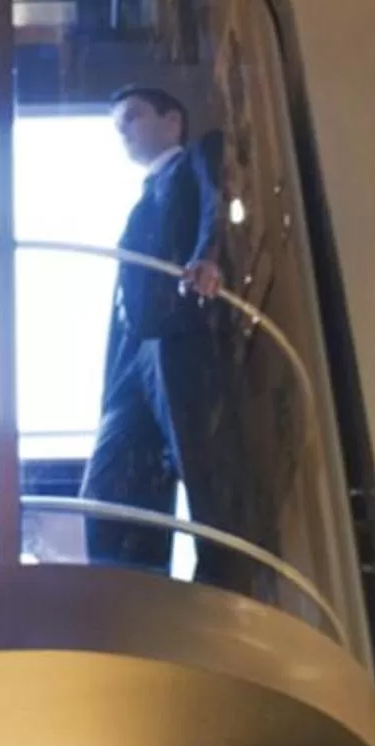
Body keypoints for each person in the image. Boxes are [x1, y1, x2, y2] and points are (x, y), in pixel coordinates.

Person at [79, 85, 252, 595]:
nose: (124, 132)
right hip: (134, 353)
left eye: (131, 117)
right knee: (106, 482)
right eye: (117, 126)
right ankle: (131, 597)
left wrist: (209, 255)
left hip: (179, 326)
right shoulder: (139, 204)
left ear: (172, 120)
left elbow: (216, 202)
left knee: (197, 451)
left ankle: (220, 578)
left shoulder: (199, 155)